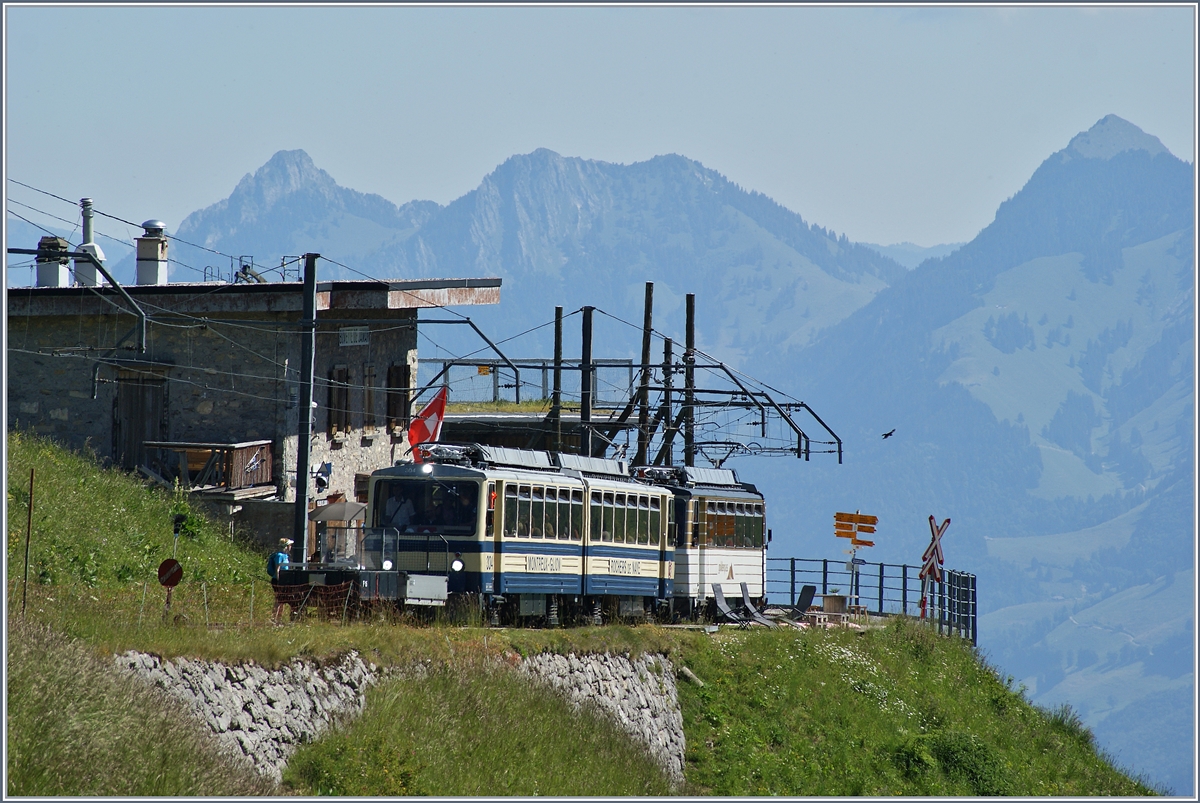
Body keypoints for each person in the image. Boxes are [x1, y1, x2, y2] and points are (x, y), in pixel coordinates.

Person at [268, 538, 293, 624]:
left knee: (282, 600)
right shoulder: (279, 556)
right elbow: (277, 569)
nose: (291, 547)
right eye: (290, 545)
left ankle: (278, 619)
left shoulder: (286, 556)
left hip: (284, 581)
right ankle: (273, 617)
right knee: (278, 600)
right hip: (277, 580)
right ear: (286, 546)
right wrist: (279, 582)